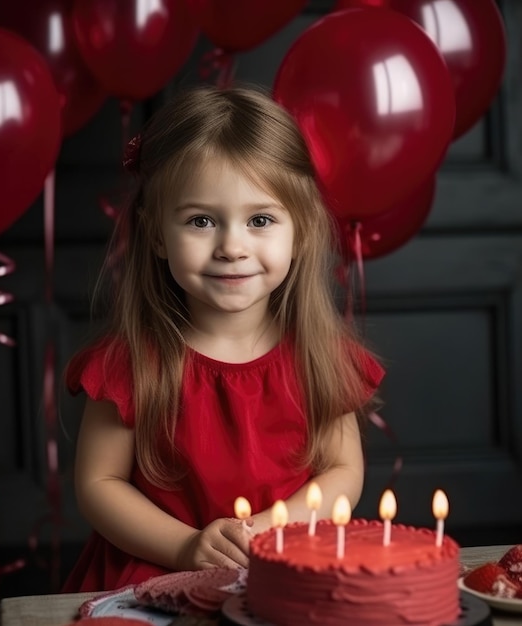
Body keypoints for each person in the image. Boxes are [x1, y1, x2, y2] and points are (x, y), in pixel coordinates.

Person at [62, 83, 385, 593]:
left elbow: (342, 470)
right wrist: (187, 546)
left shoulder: (319, 358)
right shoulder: (129, 364)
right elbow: (98, 486)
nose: (231, 247)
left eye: (260, 220)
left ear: (300, 230)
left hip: (282, 566)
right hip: (154, 572)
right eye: (201, 221)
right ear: (155, 236)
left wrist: (269, 531)